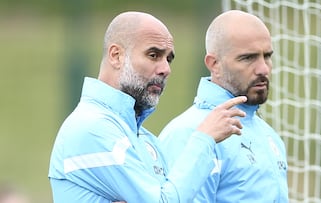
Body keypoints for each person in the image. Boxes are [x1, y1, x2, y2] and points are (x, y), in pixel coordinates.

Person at [48, 11, 248, 203]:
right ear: (116, 55)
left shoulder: (146, 140)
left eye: (168, 59)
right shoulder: (91, 128)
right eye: (153, 55)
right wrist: (204, 138)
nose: (165, 69)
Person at [159, 10, 288, 202]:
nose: (263, 69)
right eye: (248, 58)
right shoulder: (189, 134)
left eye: (267, 56)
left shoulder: (269, 135)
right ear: (214, 64)